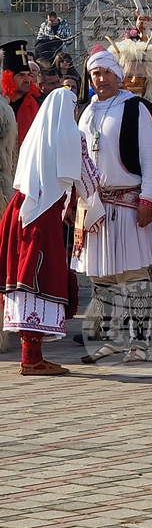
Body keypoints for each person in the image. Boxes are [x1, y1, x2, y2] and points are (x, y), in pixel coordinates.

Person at [73, 47, 152, 365]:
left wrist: (148, 199)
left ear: (118, 75)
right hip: (96, 206)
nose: (100, 78)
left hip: (129, 203)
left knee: (134, 277)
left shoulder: (135, 108)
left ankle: (139, 343)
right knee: (103, 278)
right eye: (95, 73)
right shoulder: (86, 113)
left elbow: (151, 155)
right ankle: (111, 339)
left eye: (106, 72)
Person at [0, 88, 100, 375]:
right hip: (44, 217)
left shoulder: (36, 133)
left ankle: (30, 355)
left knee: (23, 279)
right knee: (41, 279)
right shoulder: (73, 135)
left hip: (22, 210)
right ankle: (32, 359)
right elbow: (90, 181)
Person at [1, 40, 43, 147]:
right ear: (8, 77)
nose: (27, 79)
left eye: (28, 74)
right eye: (20, 75)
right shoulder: (2, 106)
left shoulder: (38, 106)